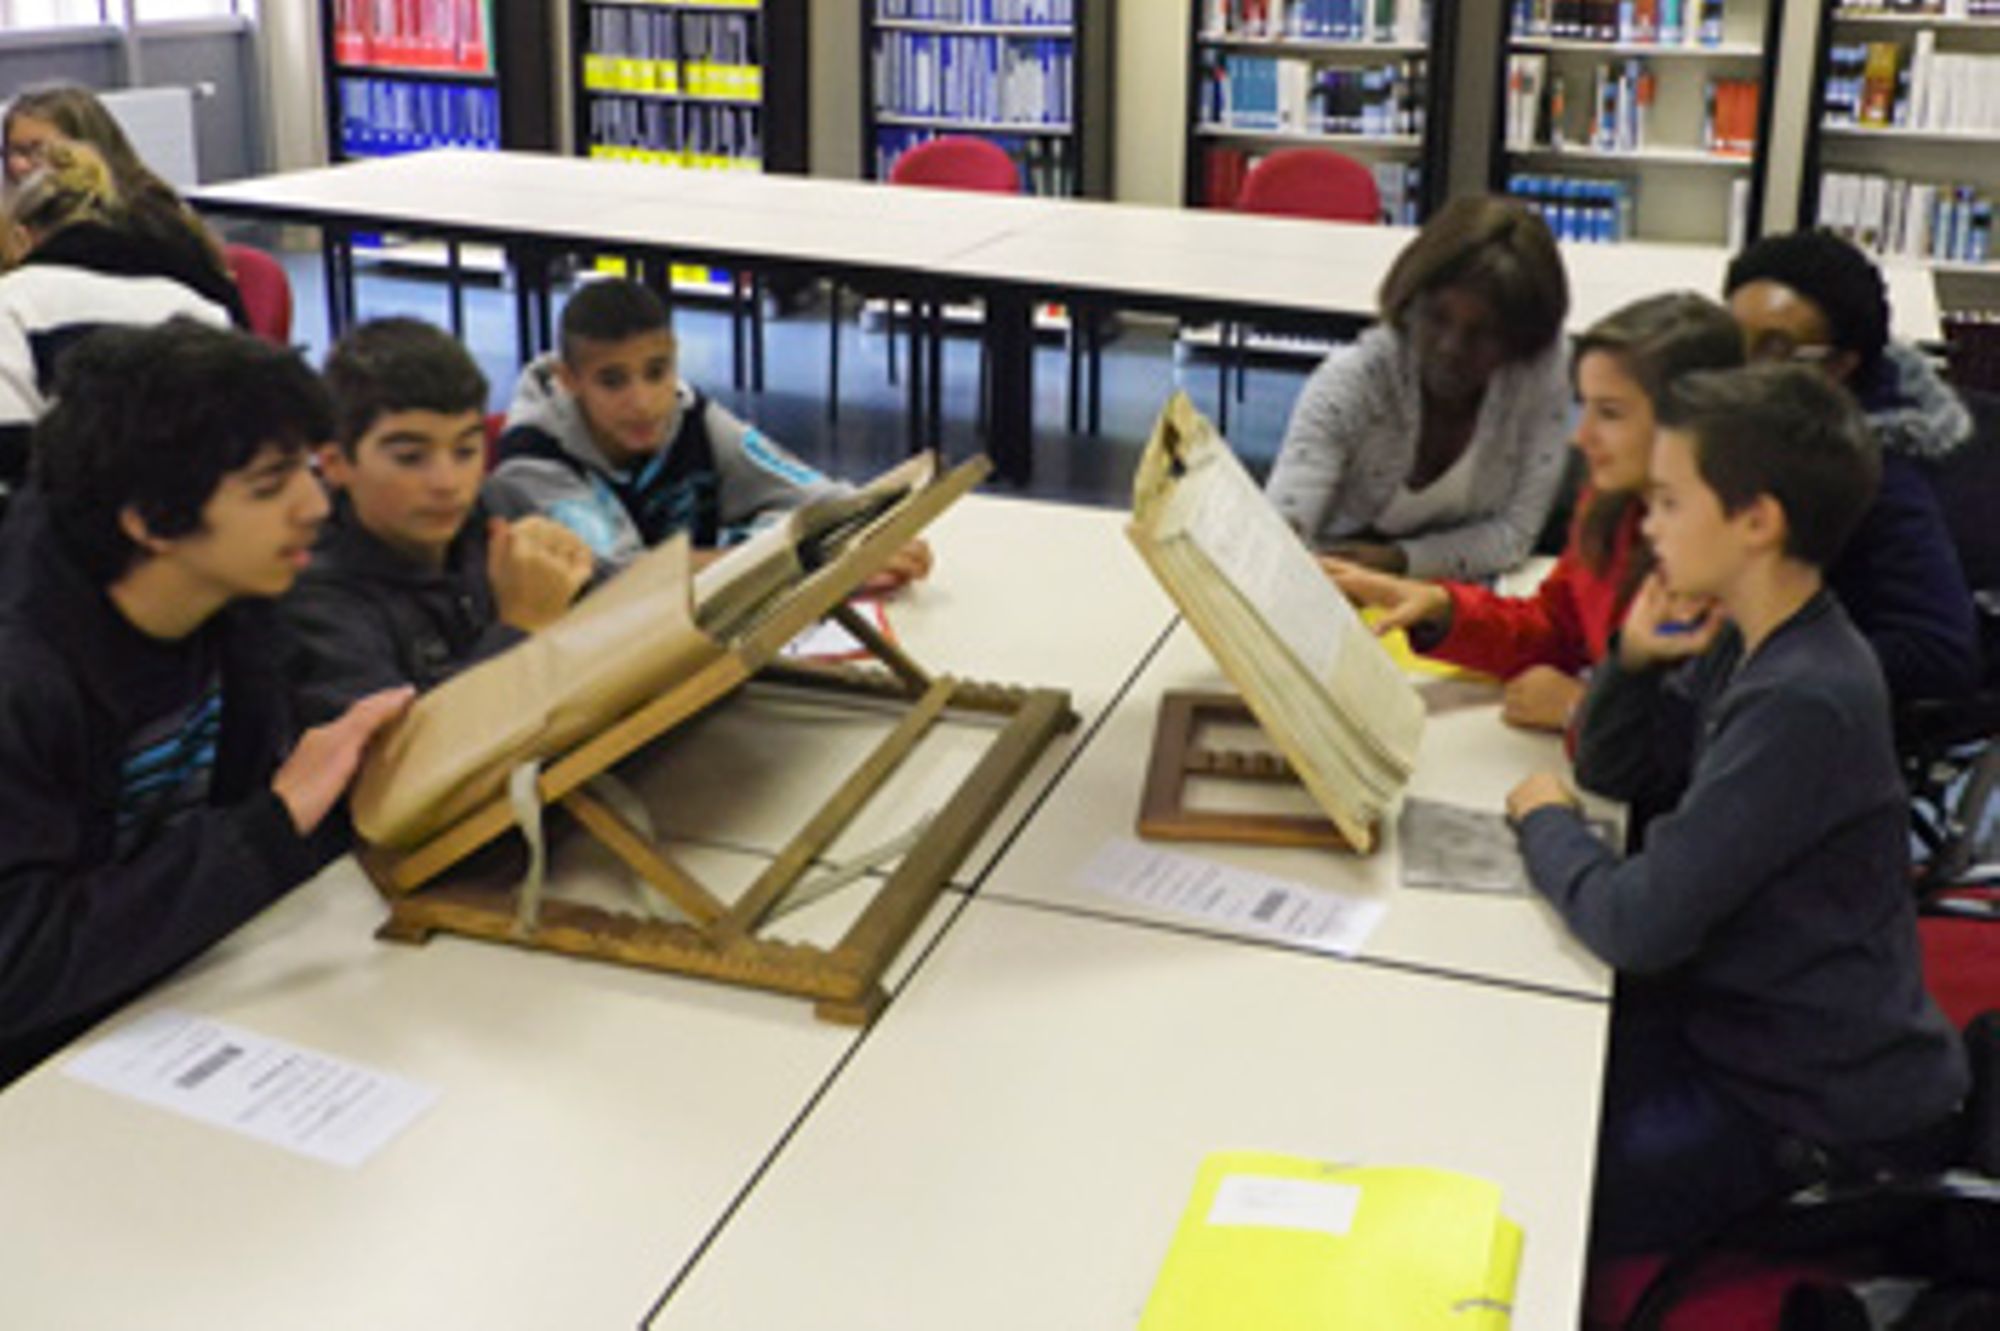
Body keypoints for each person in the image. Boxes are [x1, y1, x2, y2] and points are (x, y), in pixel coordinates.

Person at [1506, 363, 1967, 1258]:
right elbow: (1624, 771)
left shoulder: (1803, 695)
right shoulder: (1751, 638)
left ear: (1757, 521)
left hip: (1811, 1108)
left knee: (1531, 1183)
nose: (1649, 524)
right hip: (1742, 1027)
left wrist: (1544, 823)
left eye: (1672, 502)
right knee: (1519, 1078)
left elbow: (1638, 924)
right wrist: (1633, 661)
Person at [0, 320, 410, 1086]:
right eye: (269, 486)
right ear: (152, 520)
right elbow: (18, 964)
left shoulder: (232, 599)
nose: (316, 506)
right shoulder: (23, 676)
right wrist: (272, 826)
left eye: (308, 470)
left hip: (168, 1004)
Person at [1329, 292, 1744, 732]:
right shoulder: (1609, 508)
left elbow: (1698, 742)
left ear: (1688, 423)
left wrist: (1580, 711)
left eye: (1610, 413)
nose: (1580, 438)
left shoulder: (1723, 561)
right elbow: (1558, 628)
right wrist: (1442, 609)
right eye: (1583, 407)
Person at [487, 278, 932, 585]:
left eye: (656, 371)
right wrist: (814, 558)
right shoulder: (536, 461)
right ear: (569, 381)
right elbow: (628, 580)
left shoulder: (689, 413)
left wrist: (873, 528)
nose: (642, 402)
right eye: (612, 381)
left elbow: (811, 490)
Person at [281, 318, 594, 726]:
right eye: (411, 458)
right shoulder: (310, 594)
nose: (448, 484)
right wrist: (522, 626)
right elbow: (399, 755)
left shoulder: (497, 506)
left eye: (465, 451)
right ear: (336, 464)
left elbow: (619, 604)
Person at [1725, 228, 1981, 701]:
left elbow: (1942, 654)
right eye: (1729, 341)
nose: (1740, 371)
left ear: (1841, 365)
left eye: (1775, 351)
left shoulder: (1881, 478)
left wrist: (1770, 665)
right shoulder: (1762, 433)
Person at [1264, 194, 1572, 581]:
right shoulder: (1353, 381)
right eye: (1436, 317)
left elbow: (1514, 534)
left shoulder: (1540, 374)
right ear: (1409, 303)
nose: (1450, 347)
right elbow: (1279, 538)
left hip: (1459, 596)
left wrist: (1398, 561)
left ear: (1521, 342)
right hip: (1340, 583)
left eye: (1483, 333)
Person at [0, 141, 237, 508]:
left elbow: (9, 453)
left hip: (64, 534)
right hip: (197, 525)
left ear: (20, 236)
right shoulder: (196, 303)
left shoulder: (12, 304)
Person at [2, 82, 243, 325]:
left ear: (85, 147)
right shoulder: (32, 215)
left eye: (35, 150)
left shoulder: (141, 220)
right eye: (10, 153)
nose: (17, 165)